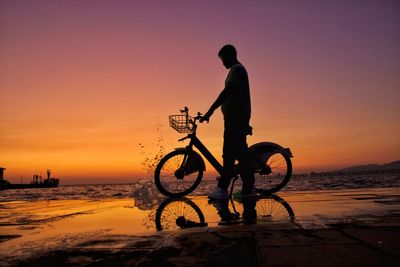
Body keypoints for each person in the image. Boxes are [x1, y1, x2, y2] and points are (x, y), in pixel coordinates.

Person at [201, 44, 256, 199]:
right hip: (235, 117)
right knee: (239, 152)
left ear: (231, 55)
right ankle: (247, 188)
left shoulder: (237, 69)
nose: (222, 62)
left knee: (230, 153)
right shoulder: (236, 70)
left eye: (223, 58)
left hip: (236, 117)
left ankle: (223, 189)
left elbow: (227, 92)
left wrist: (210, 111)